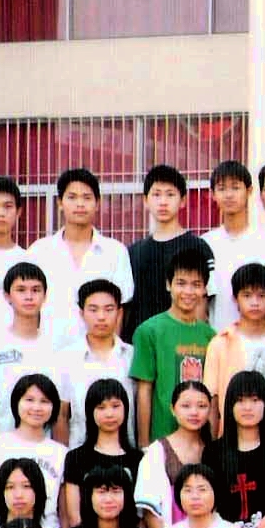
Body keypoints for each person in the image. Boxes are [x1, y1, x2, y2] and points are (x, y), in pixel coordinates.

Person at [26, 169, 136, 345]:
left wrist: (111, 354)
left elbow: (120, 308)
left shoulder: (115, 252)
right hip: (49, 350)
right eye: (72, 197)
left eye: (86, 197)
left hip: (99, 354)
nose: (79, 204)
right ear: (60, 203)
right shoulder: (39, 251)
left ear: (97, 203)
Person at [129, 247, 216, 444]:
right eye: (181, 283)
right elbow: (144, 391)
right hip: (162, 439)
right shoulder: (149, 331)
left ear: (204, 289)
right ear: (168, 284)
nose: (188, 291)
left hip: (201, 443)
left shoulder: (211, 336)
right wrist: (144, 445)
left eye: (196, 284)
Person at [123, 164, 215, 342]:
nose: (163, 202)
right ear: (145, 200)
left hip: (181, 345)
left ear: (183, 201)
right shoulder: (133, 252)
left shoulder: (198, 247)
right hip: (140, 345)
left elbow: (202, 302)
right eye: (156, 194)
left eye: (170, 194)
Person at [0, 263, 59, 442]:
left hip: (43, 446)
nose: (29, 297)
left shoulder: (54, 346)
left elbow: (60, 407)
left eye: (36, 290)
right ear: (7, 296)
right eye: (21, 290)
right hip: (4, 444)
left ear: (45, 296)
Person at [0, 374, 64, 528]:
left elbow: (65, 515)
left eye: (44, 401)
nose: (36, 407)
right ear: (16, 402)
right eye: (29, 400)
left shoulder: (61, 453)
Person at [204, 371, 265, 528]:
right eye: (240, 400)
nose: (248, 407)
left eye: (255, 400)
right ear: (230, 405)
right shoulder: (213, 453)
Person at [53, 279, 135, 452]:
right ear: (81, 313)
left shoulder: (132, 356)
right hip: (80, 453)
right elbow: (61, 414)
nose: (101, 317)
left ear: (119, 313)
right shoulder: (65, 359)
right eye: (93, 309)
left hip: (125, 453)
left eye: (109, 309)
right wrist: (64, 457)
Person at [202, 264, 265, 435]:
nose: (255, 302)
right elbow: (212, 401)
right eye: (247, 295)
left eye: (261, 296)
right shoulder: (220, 343)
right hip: (230, 438)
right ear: (235, 299)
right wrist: (212, 444)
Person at [60, 379, 141, 528]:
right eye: (101, 407)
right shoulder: (76, 458)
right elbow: (74, 516)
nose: (109, 414)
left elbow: (140, 516)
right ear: (90, 412)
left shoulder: (138, 459)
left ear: (126, 408)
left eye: (115, 406)